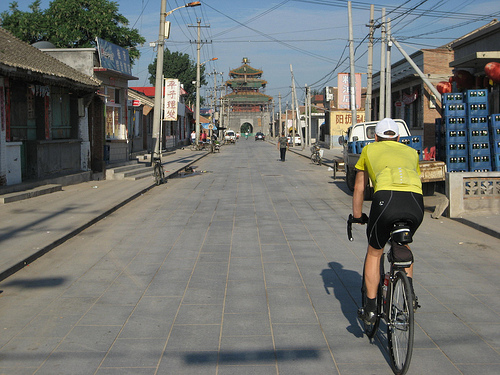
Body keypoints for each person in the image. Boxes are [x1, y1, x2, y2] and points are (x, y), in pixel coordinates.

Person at [352, 118, 424, 323]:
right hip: (415, 203)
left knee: (375, 253)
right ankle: (409, 295)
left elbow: (359, 187)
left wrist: (357, 216)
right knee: (403, 243)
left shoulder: (369, 150)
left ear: (375, 137)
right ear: (399, 138)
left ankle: (372, 308)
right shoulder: (412, 152)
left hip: (386, 201)